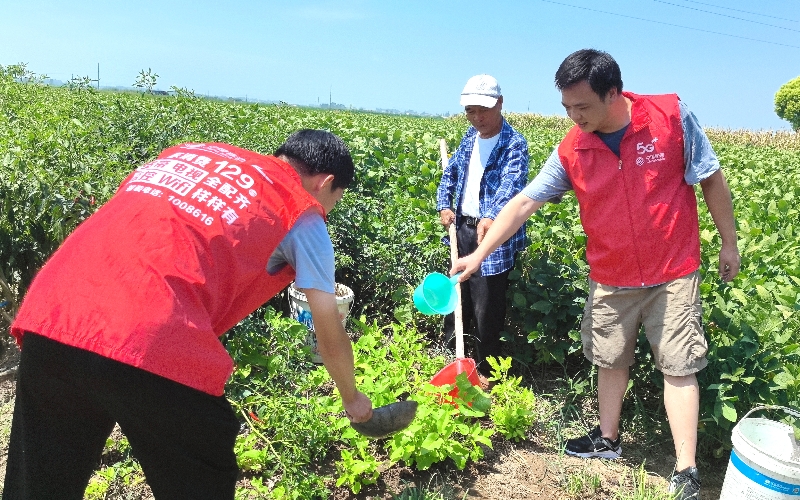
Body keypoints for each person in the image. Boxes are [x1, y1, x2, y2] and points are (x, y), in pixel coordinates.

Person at [4, 130, 374, 499]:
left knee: (39, 483)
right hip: (148, 332)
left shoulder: (194, 156)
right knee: (202, 478)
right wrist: (352, 398)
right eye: (333, 200)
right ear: (325, 182)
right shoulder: (302, 215)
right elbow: (329, 330)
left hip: (52, 312)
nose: (327, 209)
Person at [450, 50, 739, 500]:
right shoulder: (573, 147)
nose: (573, 116)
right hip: (610, 273)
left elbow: (710, 178)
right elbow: (525, 202)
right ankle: (608, 439)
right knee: (610, 357)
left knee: (679, 366)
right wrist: (479, 254)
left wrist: (729, 242)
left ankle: (685, 469)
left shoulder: (669, 117)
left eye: (581, 106)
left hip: (672, 270)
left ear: (612, 93)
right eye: (566, 107)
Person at [436, 74, 529, 388]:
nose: (478, 118)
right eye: (471, 111)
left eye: (484, 110)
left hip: (493, 236)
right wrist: (443, 204)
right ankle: (453, 356)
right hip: (463, 227)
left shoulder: (514, 143)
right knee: (456, 294)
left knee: (487, 305)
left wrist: (490, 216)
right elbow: (451, 173)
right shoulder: (468, 138)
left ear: (500, 104)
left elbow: (511, 186)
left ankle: (486, 369)